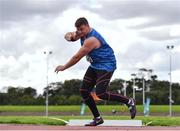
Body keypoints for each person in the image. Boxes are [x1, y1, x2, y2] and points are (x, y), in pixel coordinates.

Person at [55, 17, 136, 126]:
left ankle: (128, 101)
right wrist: (69, 37)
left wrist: (64, 67)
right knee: (84, 91)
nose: (80, 32)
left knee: (101, 93)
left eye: (82, 29)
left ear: (88, 26)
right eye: (78, 30)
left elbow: (76, 57)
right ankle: (97, 118)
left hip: (106, 64)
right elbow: (69, 36)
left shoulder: (91, 40)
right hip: (95, 65)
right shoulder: (81, 33)